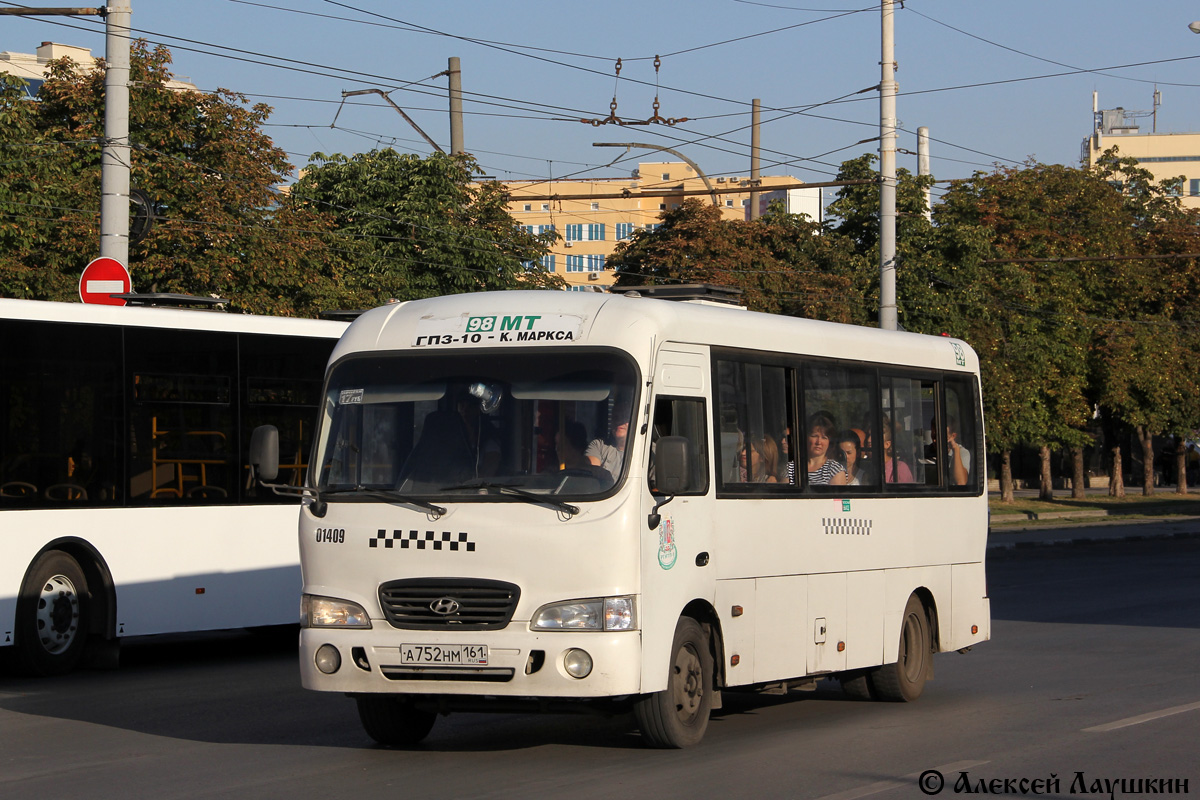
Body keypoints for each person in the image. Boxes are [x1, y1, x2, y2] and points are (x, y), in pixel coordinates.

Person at [558, 420, 612, 485]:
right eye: (556, 444)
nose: (558, 448)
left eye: (563, 444)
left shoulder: (601, 475)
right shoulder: (552, 474)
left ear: (577, 445)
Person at [587, 407, 630, 481]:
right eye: (616, 417)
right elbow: (592, 478)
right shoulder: (599, 446)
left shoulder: (649, 452)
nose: (619, 421)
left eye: (624, 417)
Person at [806, 413, 847, 486]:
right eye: (815, 436)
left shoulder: (835, 470)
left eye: (824, 438)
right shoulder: (793, 467)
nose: (818, 442)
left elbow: (838, 497)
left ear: (829, 442)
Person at [881, 415, 914, 484]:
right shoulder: (865, 466)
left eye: (874, 439)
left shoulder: (899, 469)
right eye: (868, 436)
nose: (869, 440)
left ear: (887, 444)